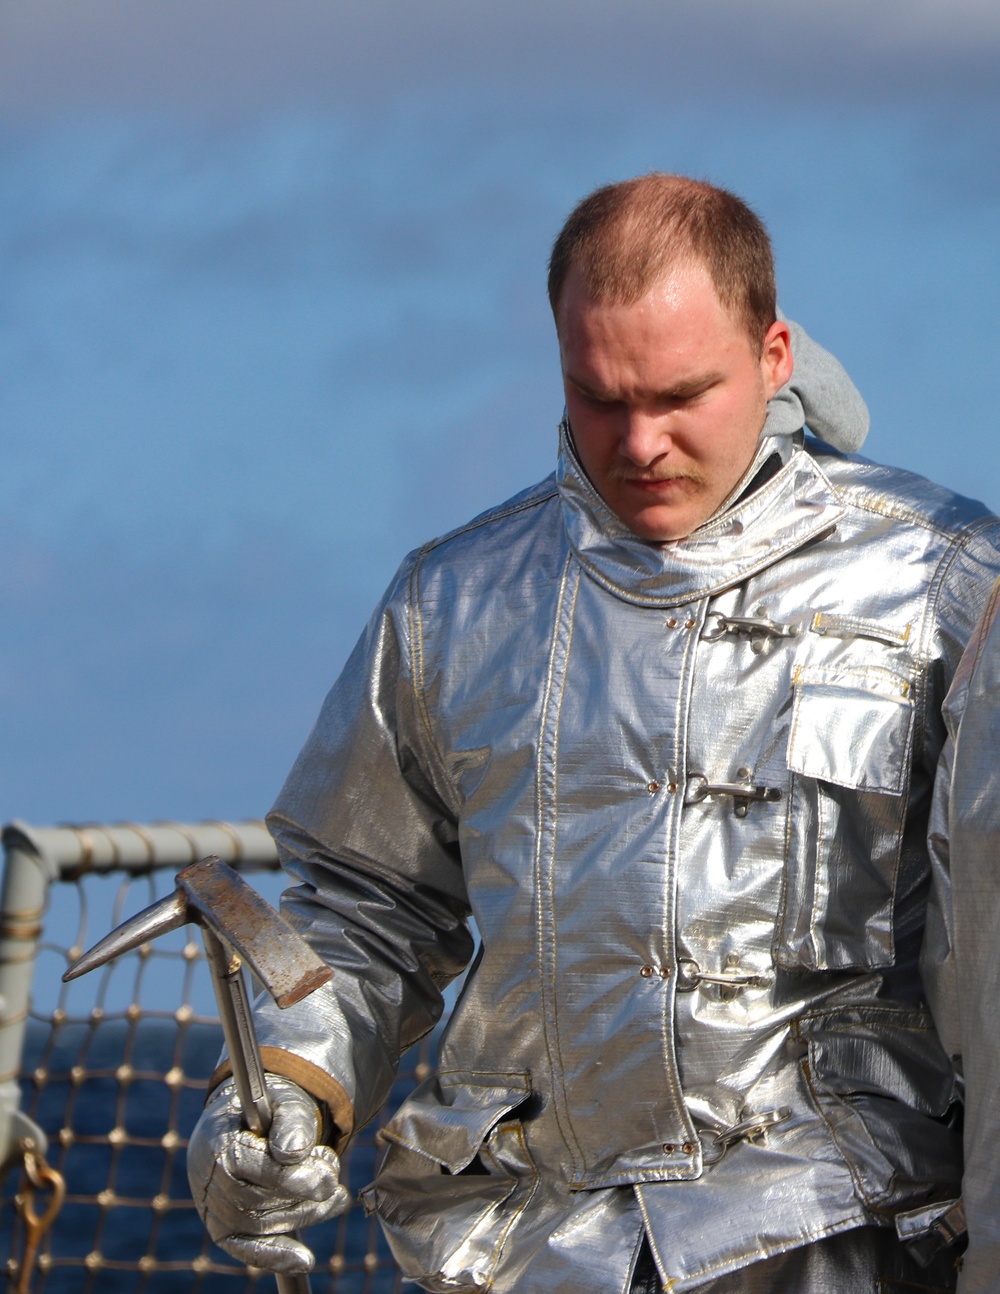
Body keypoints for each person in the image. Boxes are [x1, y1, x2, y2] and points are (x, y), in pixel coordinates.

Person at [187, 174, 1000, 1292]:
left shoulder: (947, 583)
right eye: (598, 395)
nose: (640, 441)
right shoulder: (450, 605)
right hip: (528, 1248)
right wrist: (286, 1088)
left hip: (848, 1244)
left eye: (680, 394)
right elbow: (366, 911)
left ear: (772, 357)